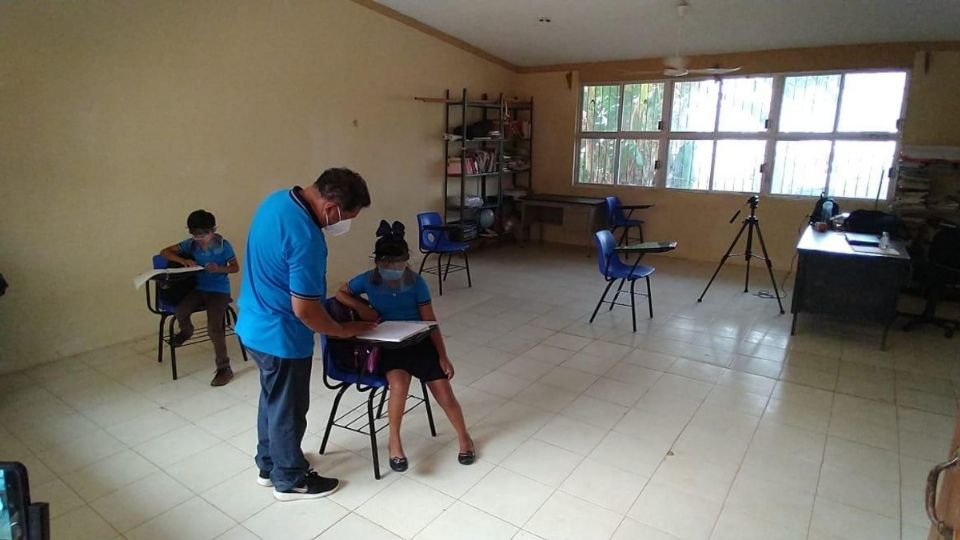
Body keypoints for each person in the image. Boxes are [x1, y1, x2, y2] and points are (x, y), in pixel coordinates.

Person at [236, 168, 375, 502]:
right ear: (331, 208)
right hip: (280, 335)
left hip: (252, 325)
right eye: (347, 217)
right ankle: (290, 479)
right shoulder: (307, 239)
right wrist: (342, 330)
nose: (343, 225)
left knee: (272, 399)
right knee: (289, 406)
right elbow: (306, 311)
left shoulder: (277, 200)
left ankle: (269, 465)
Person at [335, 220, 475, 473]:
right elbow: (341, 293)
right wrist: (362, 307)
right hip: (388, 346)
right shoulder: (367, 280)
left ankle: (464, 437)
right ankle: (394, 443)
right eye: (387, 264)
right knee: (398, 385)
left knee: (443, 390)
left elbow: (430, 321)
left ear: (406, 261)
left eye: (398, 264)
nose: (392, 269)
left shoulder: (416, 283)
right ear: (378, 262)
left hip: (418, 342)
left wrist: (443, 356)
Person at [160, 209, 239, 387]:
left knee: (214, 328)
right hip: (199, 289)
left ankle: (224, 368)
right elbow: (164, 252)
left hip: (219, 291)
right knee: (181, 311)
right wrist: (184, 261)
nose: (201, 238)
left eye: (205, 234)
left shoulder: (223, 245)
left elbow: (235, 268)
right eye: (196, 235)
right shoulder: (190, 244)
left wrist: (219, 268)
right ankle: (187, 331)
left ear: (213, 230)